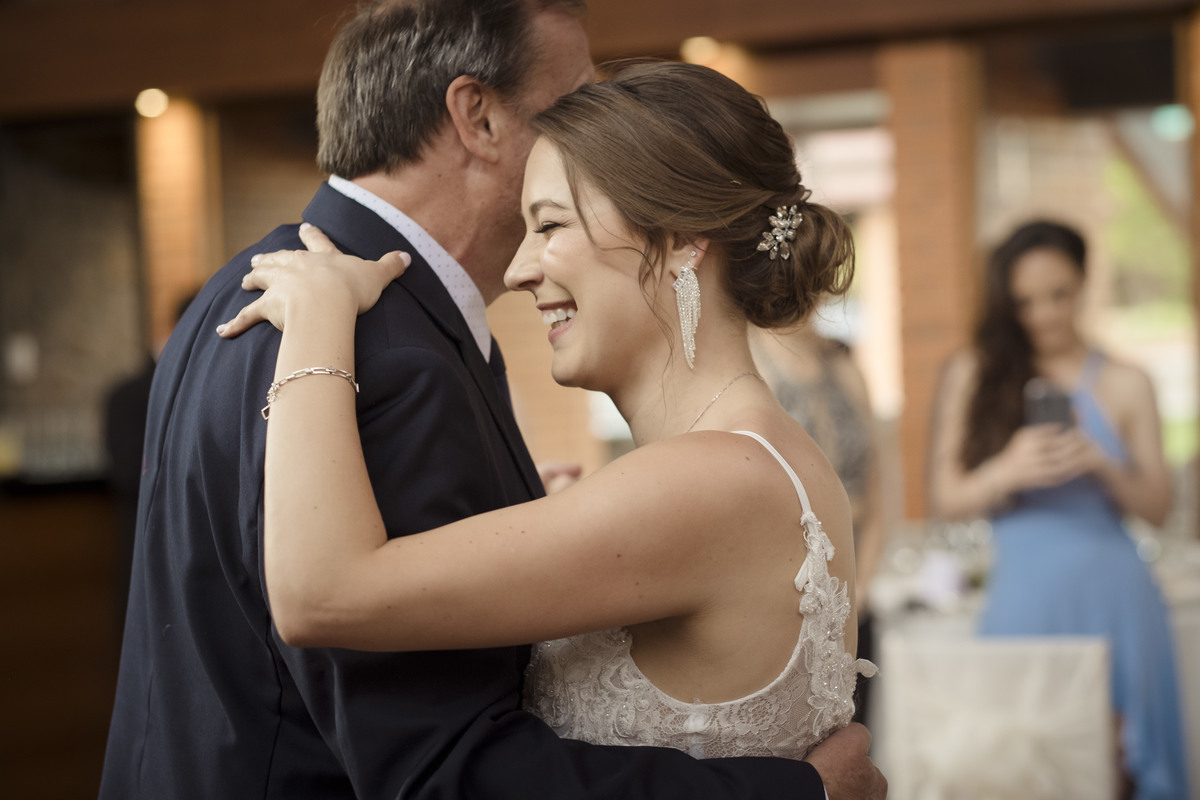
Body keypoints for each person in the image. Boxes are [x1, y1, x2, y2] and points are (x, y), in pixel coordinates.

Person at [101, 1, 882, 798]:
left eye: (553, 224)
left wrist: (319, 324)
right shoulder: (385, 341)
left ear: (681, 238)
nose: (520, 269)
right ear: (474, 113)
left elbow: (326, 597)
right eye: (533, 221)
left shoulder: (249, 295)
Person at [927, 220, 1188, 799]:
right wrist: (1007, 470)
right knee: (1026, 765)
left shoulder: (1126, 381)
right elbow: (945, 500)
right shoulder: (975, 372)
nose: (1043, 314)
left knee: (1125, 765)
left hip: (1118, 596)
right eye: (1024, 301)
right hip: (1025, 598)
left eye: (1059, 295)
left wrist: (1102, 464)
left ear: (1084, 285)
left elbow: (1160, 510)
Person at [749, 318, 886, 724]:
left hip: (858, 586)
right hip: (790, 596)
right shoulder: (752, 365)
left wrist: (862, 587)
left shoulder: (843, 363)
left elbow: (876, 489)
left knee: (858, 735)